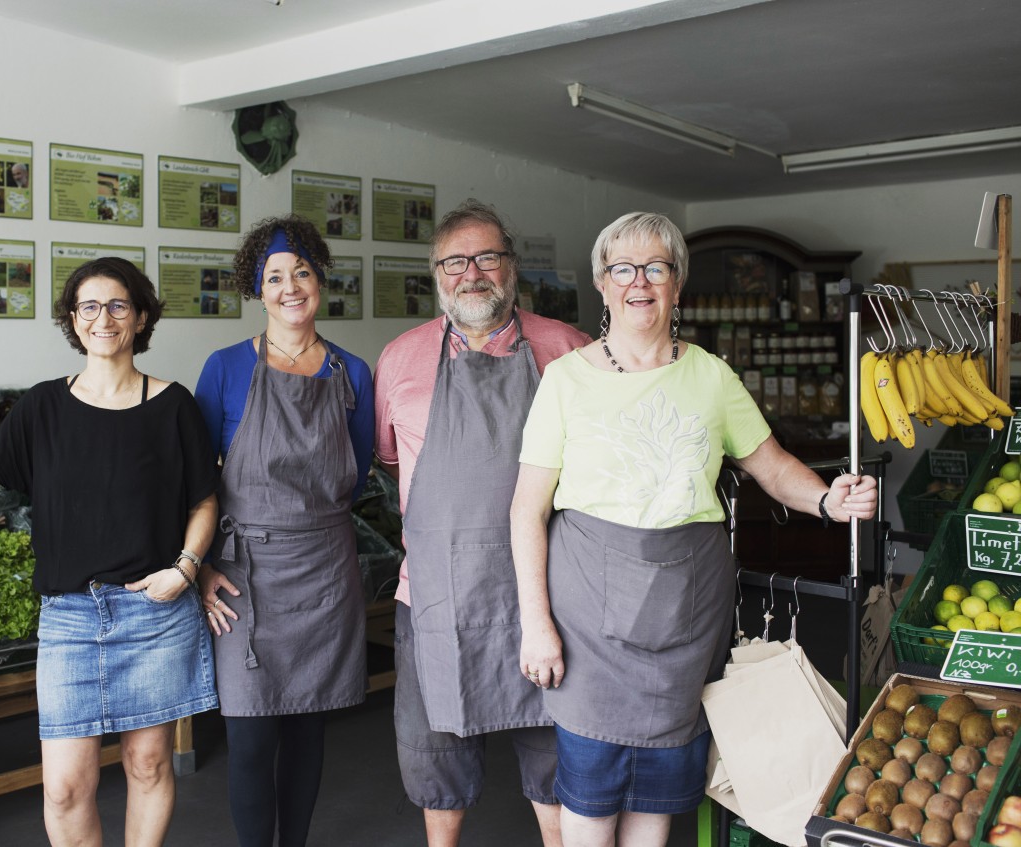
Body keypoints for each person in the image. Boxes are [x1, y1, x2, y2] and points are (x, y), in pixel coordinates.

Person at [509, 212, 879, 847]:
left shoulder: (710, 375)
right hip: (587, 623)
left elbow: (771, 466)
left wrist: (827, 501)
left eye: (656, 267)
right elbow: (526, 510)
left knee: (661, 790)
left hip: (686, 616)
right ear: (602, 284)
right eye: (622, 268)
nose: (639, 282)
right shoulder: (567, 380)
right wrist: (536, 625)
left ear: (676, 284)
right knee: (591, 793)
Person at [0, 257, 219, 847]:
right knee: (65, 788)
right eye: (89, 307)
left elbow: (204, 501)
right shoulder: (43, 407)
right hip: (71, 618)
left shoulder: (173, 406)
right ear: (73, 321)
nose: (104, 318)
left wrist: (185, 569)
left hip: (154, 610)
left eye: (118, 305)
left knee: (149, 765)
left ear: (142, 316)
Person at [374, 199, 590, 847]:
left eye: (487, 257)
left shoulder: (567, 349)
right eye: (455, 261)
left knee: (555, 752)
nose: (473, 273)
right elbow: (390, 457)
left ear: (512, 266)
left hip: (547, 596)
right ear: (437, 274)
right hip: (436, 594)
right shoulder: (400, 360)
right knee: (435, 752)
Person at [194, 213, 375, 847]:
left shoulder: (352, 373)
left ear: (320, 278)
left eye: (301, 271)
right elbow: (195, 482)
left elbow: (355, 472)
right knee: (249, 734)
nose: (290, 286)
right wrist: (203, 566)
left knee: (306, 731)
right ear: (257, 289)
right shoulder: (224, 369)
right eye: (274, 276)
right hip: (244, 576)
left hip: (325, 570)